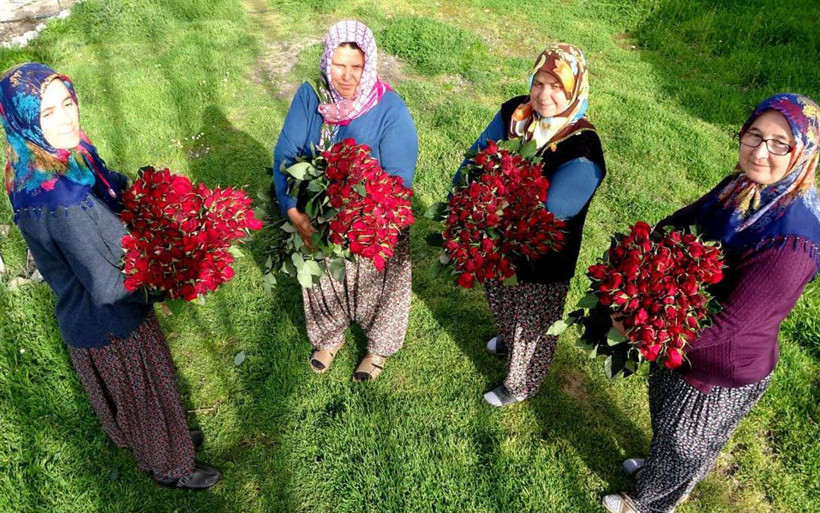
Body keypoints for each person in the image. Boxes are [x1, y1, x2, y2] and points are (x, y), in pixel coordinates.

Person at [0, 63, 220, 489]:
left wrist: (147, 202)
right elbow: (108, 281)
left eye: (68, 103)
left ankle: (170, 440)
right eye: (47, 113)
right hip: (109, 322)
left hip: (103, 309)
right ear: (25, 120)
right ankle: (170, 467)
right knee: (145, 400)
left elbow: (109, 186)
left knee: (154, 396)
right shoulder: (61, 203)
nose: (66, 119)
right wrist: (172, 269)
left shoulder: (51, 158)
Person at [603, 93, 820, 513]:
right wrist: (638, 259)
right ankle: (656, 470)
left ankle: (651, 503)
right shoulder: (743, 186)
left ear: (804, 152)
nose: (760, 151)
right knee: (667, 422)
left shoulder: (791, 243)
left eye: (780, 143)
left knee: (686, 440)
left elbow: (728, 324)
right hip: (682, 338)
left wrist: (643, 332)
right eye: (754, 135)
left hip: (722, 365)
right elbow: (685, 220)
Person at [454, 43, 606, 406]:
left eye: (557, 86)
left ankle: (520, 383)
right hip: (495, 237)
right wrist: (460, 199)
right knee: (501, 295)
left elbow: (554, 209)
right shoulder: (516, 113)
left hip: (543, 255)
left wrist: (489, 204)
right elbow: (478, 155)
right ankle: (506, 338)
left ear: (574, 90)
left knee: (532, 322)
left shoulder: (583, 148)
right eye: (539, 82)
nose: (544, 95)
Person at [272, 20, 418, 381]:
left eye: (356, 66)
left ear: (368, 66)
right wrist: (293, 210)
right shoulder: (311, 98)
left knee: (377, 284)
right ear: (326, 61)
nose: (347, 76)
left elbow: (399, 178)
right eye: (339, 65)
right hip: (318, 215)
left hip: (368, 219)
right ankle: (330, 336)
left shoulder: (390, 109)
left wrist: (361, 216)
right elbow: (287, 153)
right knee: (321, 278)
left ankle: (377, 348)